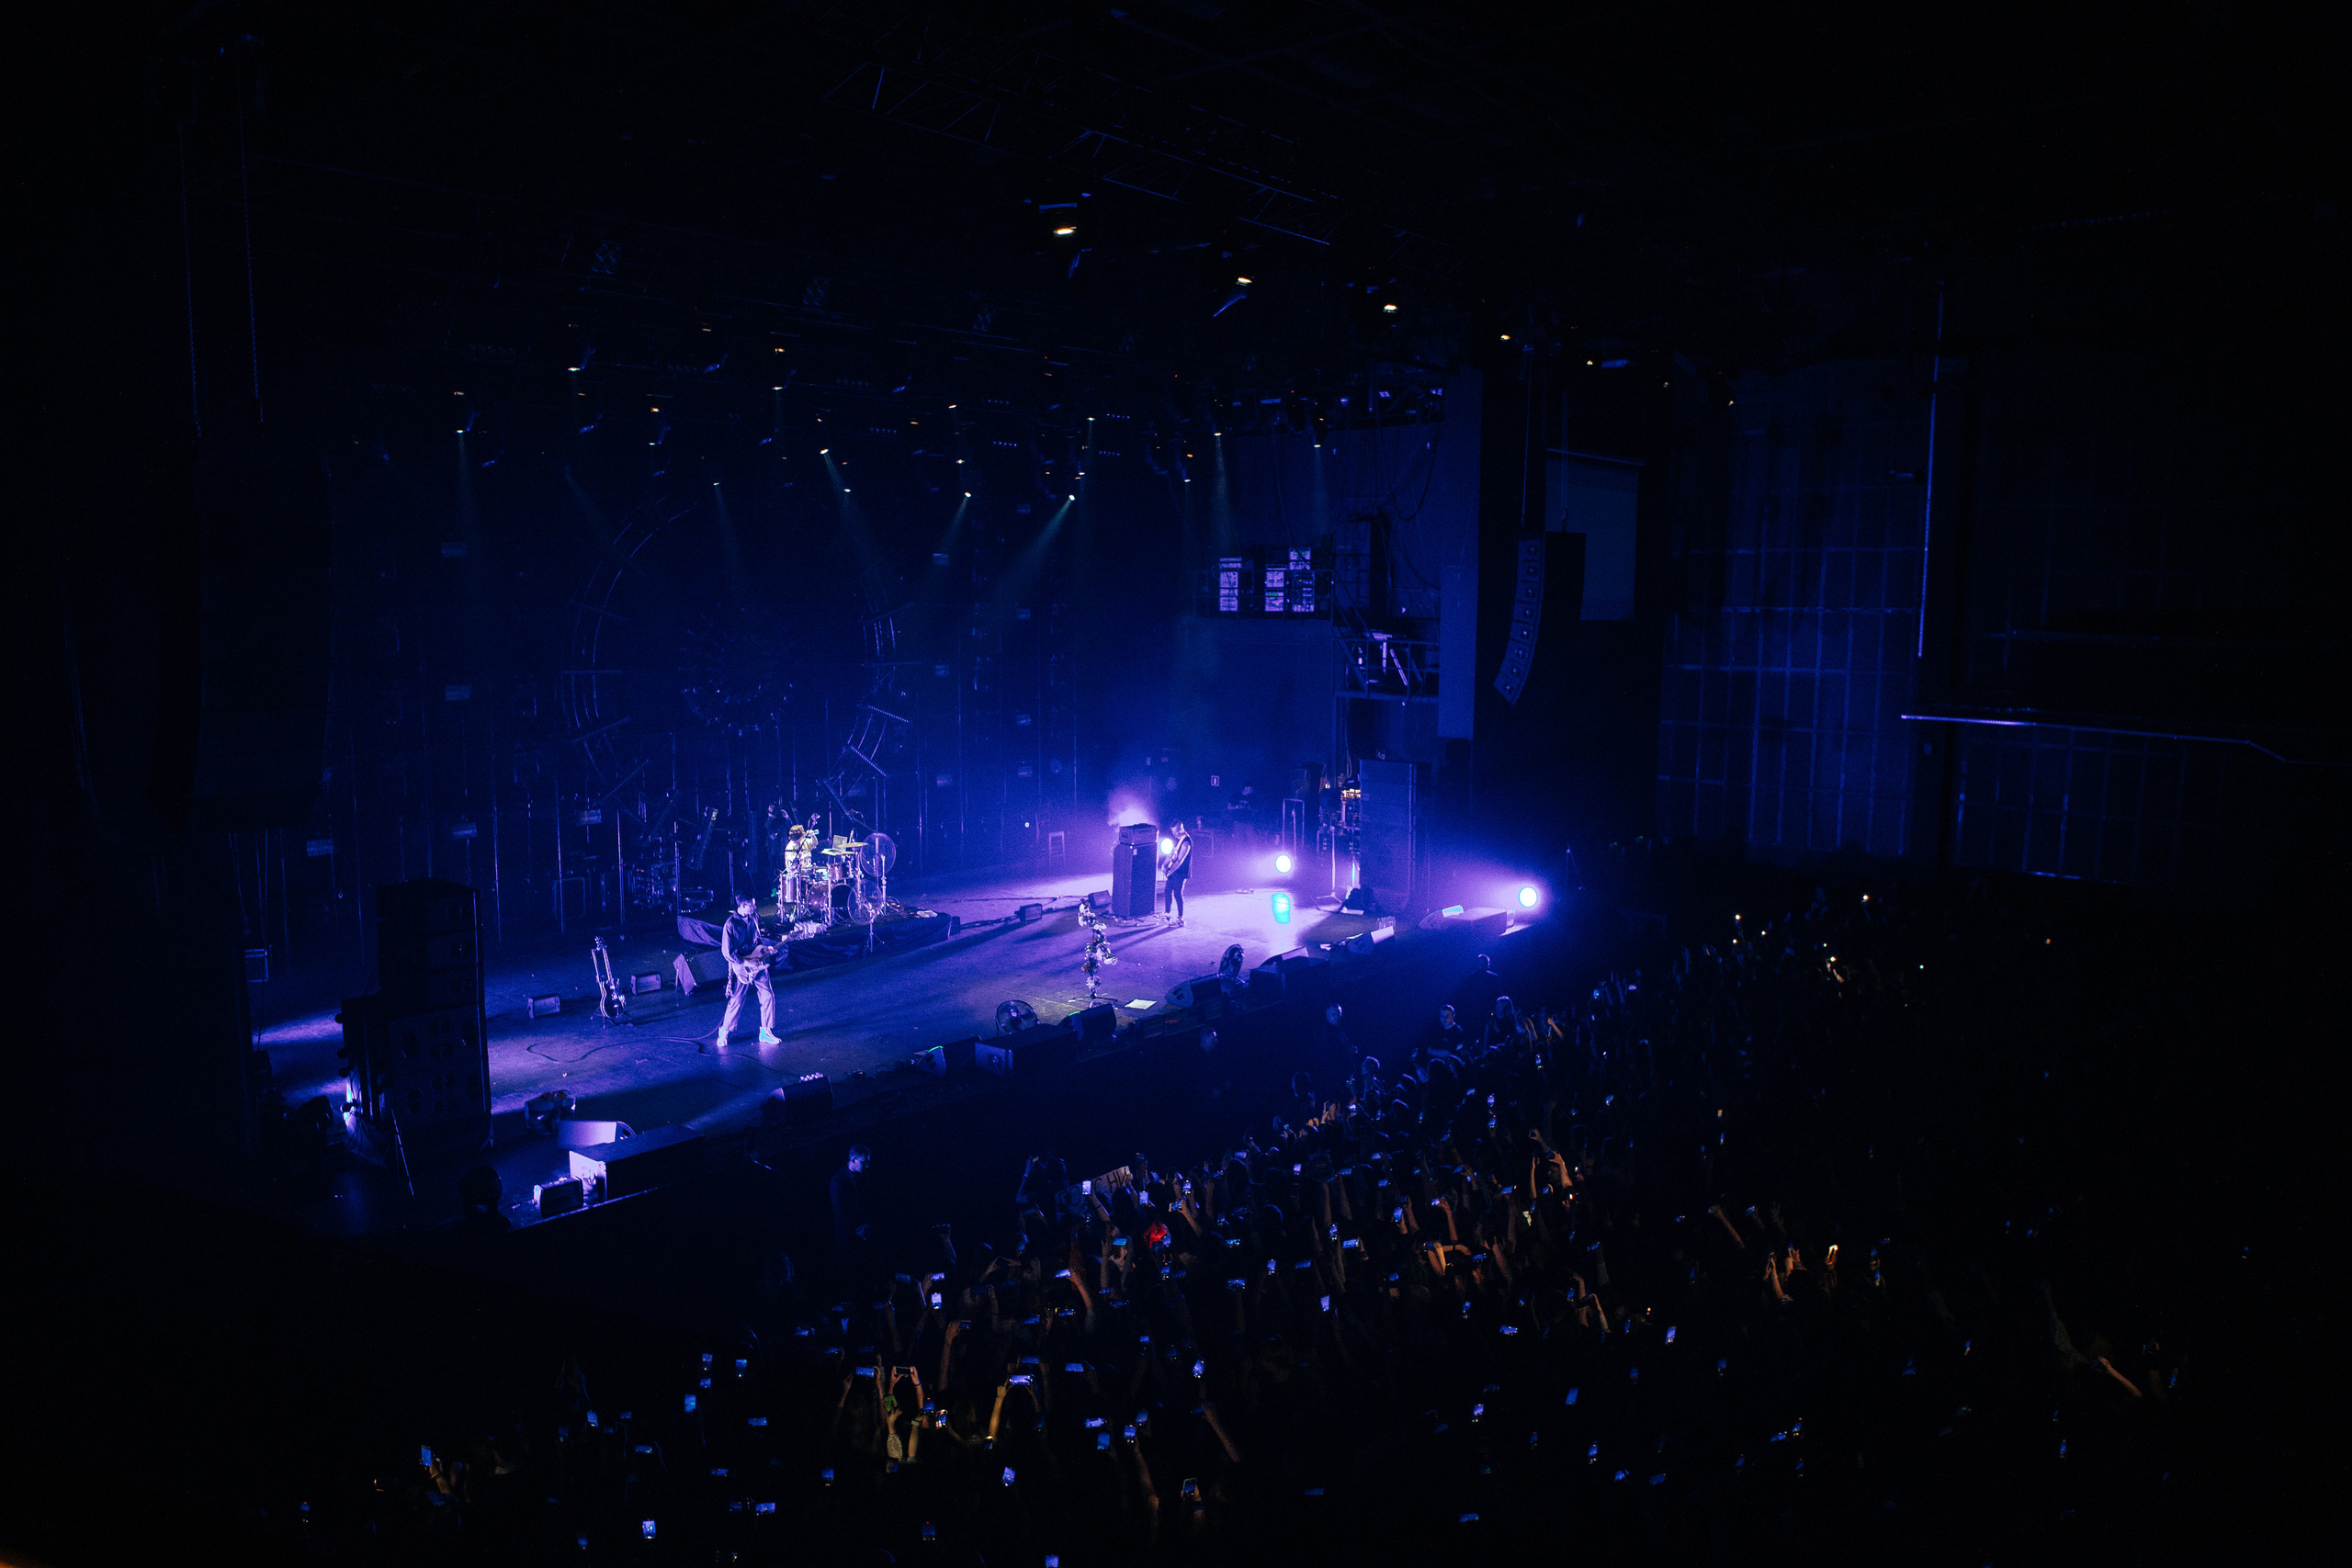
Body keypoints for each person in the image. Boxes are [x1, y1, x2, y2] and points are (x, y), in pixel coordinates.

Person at [718, 892, 780, 1050]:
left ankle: (765, 1031)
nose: (755, 907)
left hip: (757, 962)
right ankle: (724, 1032)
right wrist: (745, 962)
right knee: (737, 1000)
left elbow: (757, 940)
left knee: (768, 995)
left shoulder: (754, 918)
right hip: (741, 967)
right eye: (752, 905)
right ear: (743, 906)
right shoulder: (730, 925)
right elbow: (727, 952)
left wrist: (765, 948)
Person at [831, 1144, 873, 1270]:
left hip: (865, 1231)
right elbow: (841, 1211)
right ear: (854, 1160)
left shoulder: (866, 1177)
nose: (867, 1166)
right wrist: (858, 1229)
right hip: (848, 1236)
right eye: (864, 1162)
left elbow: (871, 1203)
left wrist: (868, 1224)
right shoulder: (837, 1181)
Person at [1160, 820, 1193, 926]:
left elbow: (1180, 861)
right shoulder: (1178, 840)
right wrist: (1164, 865)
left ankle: (1180, 918)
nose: (1174, 834)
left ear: (1180, 829)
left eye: (1175, 832)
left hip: (1180, 872)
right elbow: (1171, 854)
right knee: (1167, 891)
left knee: (1178, 894)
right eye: (1173, 832)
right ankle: (1167, 914)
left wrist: (1171, 871)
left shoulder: (1186, 842)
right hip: (1174, 871)